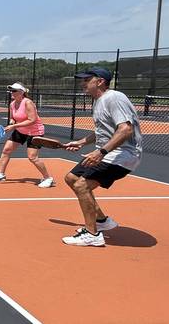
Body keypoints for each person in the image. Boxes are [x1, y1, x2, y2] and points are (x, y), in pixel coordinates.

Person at [61, 67, 142, 247]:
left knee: (82, 185)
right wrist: (81, 142)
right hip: (108, 152)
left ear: (100, 82)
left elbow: (125, 130)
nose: (83, 83)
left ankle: (92, 234)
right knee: (71, 178)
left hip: (123, 155)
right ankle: (102, 221)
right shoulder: (98, 101)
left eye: (87, 79)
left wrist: (100, 152)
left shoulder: (113, 98)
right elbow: (104, 132)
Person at [0, 82, 54, 188]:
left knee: (32, 157)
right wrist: (12, 123)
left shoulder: (28, 103)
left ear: (21, 92)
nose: (11, 93)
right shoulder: (12, 104)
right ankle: (1, 173)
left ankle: (48, 178)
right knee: (6, 150)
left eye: (14, 91)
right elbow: (12, 118)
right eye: (11, 91)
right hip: (20, 131)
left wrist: (14, 126)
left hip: (35, 132)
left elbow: (32, 120)